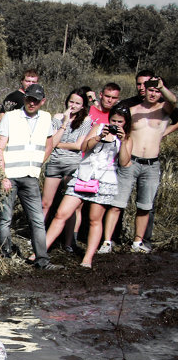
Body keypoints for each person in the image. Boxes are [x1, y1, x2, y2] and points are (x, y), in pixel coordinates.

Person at [44, 107, 131, 269]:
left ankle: (88, 258)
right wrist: (100, 136)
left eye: (120, 122)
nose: (116, 125)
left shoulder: (127, 138)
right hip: (84, 176)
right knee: (61, 213)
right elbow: (85, 147)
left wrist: (124, 141)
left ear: (125, 123)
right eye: (113, 121)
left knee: (94, 219)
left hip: (105, 181)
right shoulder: (98, 128)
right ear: (109, 119)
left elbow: (124, 162)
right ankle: (41, 252)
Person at [113, 76, 176, 252]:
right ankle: (108, 241)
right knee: (118, 203)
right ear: (144, 91)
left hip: (151, 164)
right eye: (151, 90)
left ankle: (138, 242)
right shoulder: (132, 110)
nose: (154, 93)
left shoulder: (165, 109)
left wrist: (162, 87)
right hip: (130, 161)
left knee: (145, 205)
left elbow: (174, 100)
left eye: (157, 91)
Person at [0, 83, 54, 268]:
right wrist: (2, 176)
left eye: (36, 100)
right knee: (5, 219)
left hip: (30, 177)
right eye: (29, 99)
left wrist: (38, 164)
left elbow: (49, 144)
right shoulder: (11, 117)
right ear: (25, 98)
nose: (32, 103)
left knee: (37, 220)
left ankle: (42, 261)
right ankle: (5, 258)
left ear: (42, 101)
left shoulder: (46, 118)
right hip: (10, 176)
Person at [40, 89, 91, 251]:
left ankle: (69, 242)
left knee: (72, 206)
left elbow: (79, 145)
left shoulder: (86, 121)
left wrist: (58, 143)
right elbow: (52, 141)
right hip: (55, 162)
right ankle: (39, 238)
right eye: (71, 102)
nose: (73, 105)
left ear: (83, 106)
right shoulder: (57, 118)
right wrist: (64, 122)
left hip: (73, 165)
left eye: (77, 103)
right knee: (45, 203)